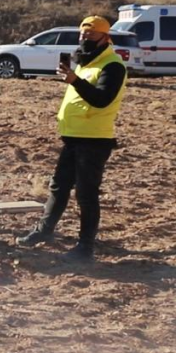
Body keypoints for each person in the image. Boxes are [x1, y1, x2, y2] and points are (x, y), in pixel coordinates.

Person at [17, 16, 127, 262]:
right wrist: (74, 77)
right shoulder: (86, 63)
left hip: (94, 139)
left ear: (104, 38)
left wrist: (74, 81)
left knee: (86, 194)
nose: (85, 39)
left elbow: (101, 99)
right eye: (82, 35)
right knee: (58, 186)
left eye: (91, 35)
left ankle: (85, 246)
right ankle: (44, 231)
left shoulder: (112, 66)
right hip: (73, 137)